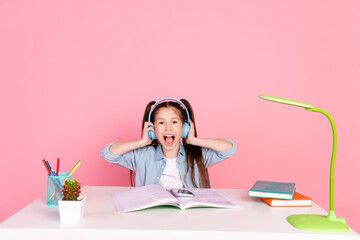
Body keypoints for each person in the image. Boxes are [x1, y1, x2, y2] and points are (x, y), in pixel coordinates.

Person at [100, 98, 237, 189]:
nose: (168, 128)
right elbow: (108, 153)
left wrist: (194, 140)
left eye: (174, 122)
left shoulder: (197, 155)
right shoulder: (143, 155)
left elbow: (229, 149)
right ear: (152, 128)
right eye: (161, 122)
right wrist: (142, 142)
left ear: (184, 128)